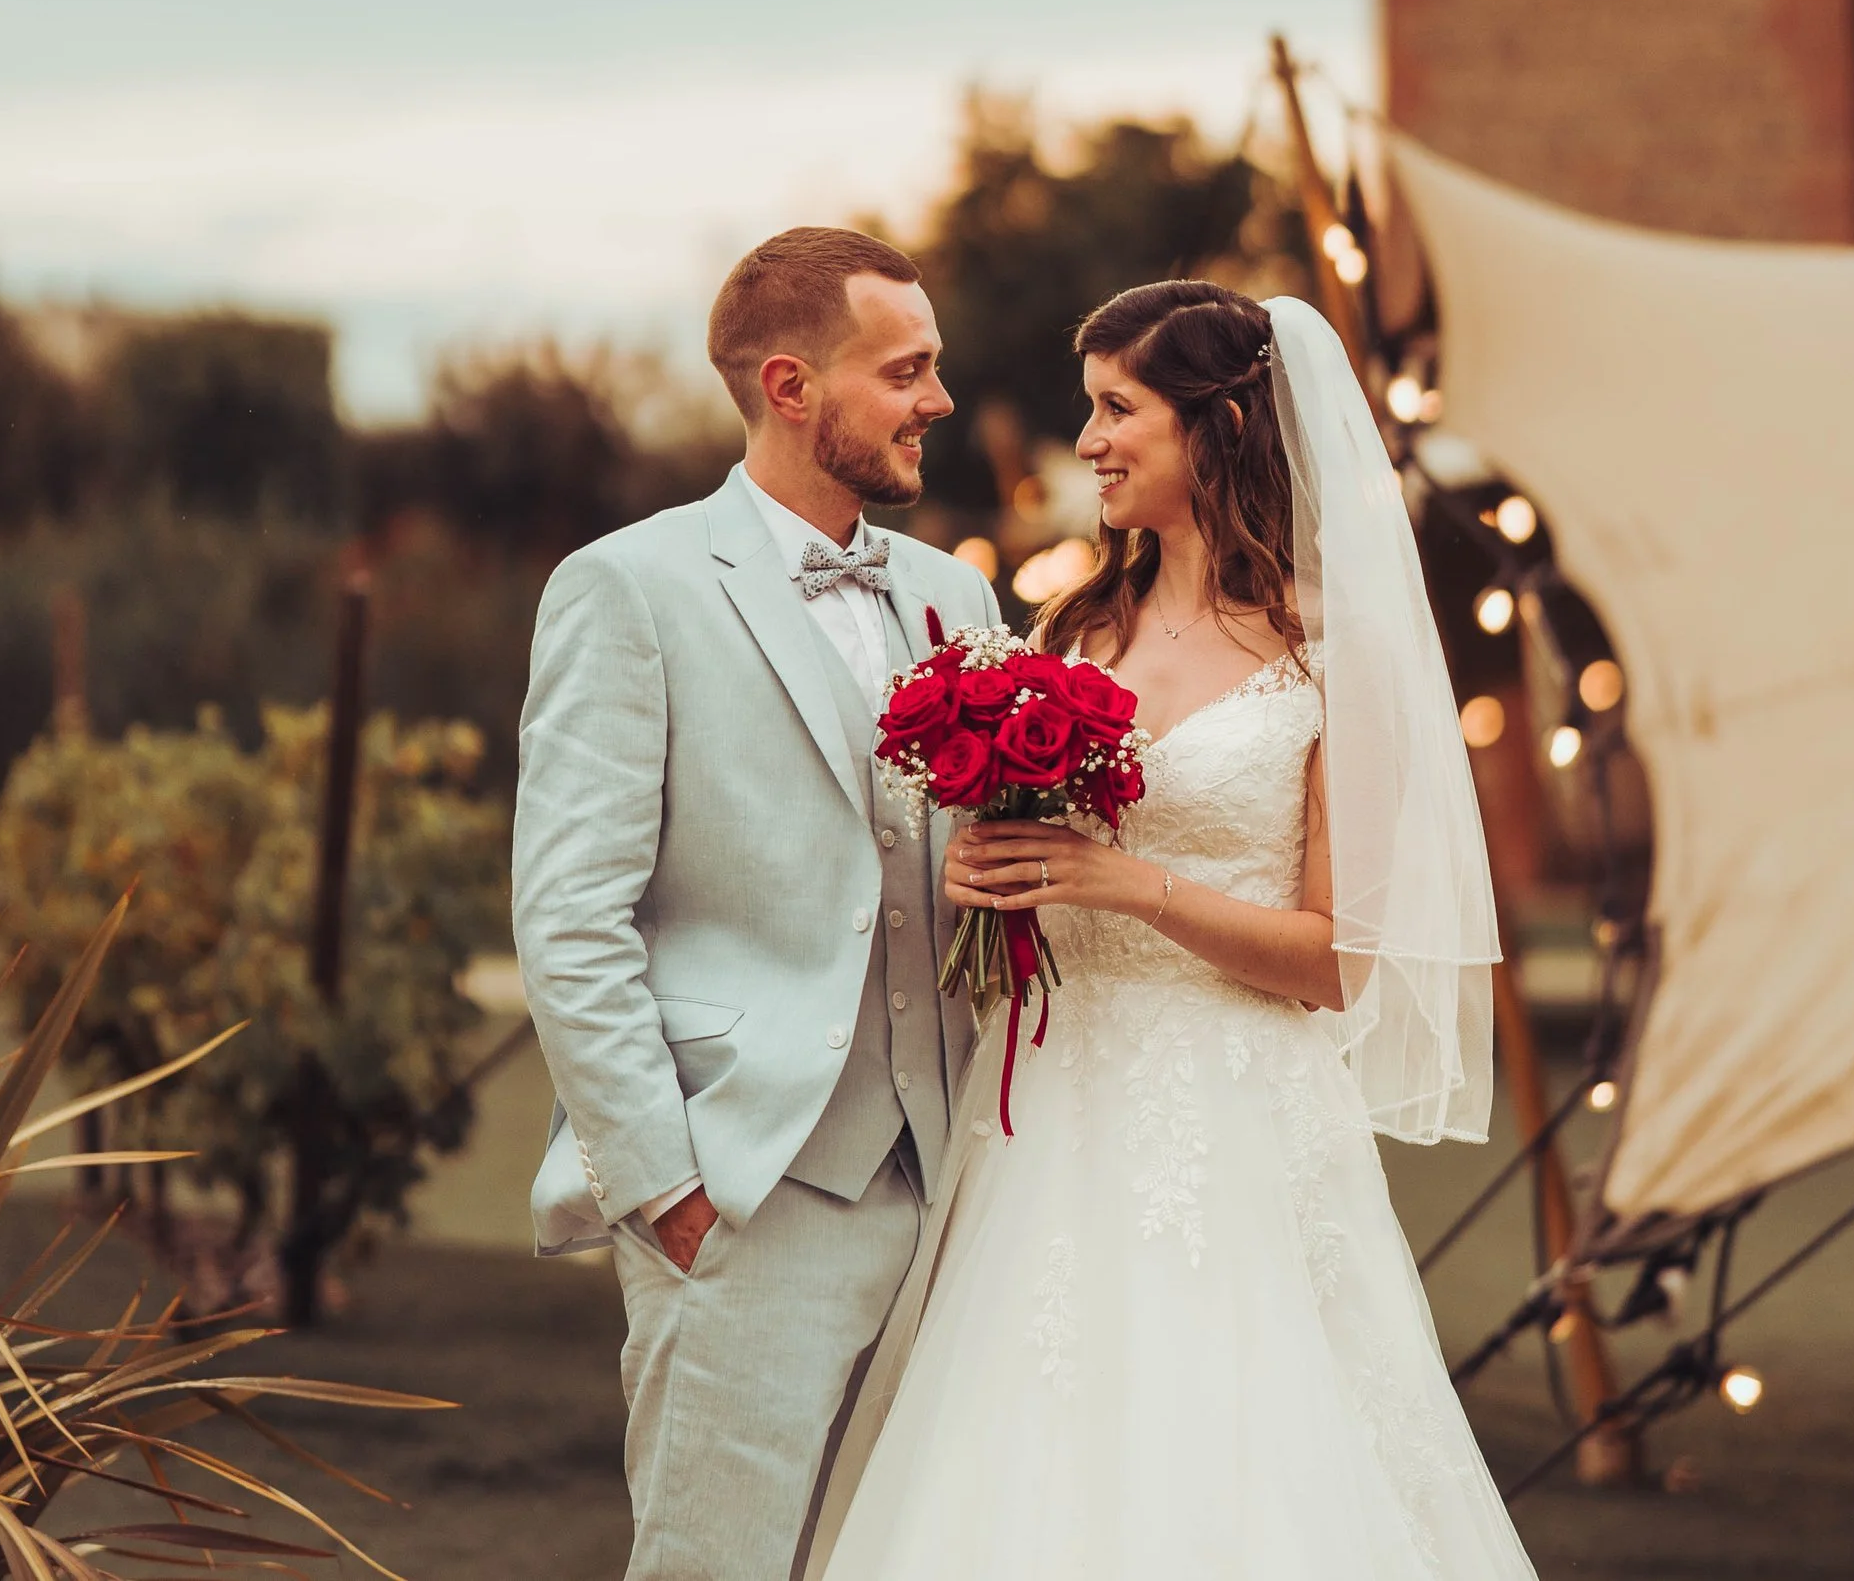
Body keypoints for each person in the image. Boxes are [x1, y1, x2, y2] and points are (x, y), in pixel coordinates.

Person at [810, 282, 1537, 1579]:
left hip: (1239, 1118)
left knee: (1243, 1454)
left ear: (1221, 425)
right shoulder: (1073, 630)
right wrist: (997, 877)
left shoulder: (1329, 647)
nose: (1086, 439)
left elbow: (1334, 961)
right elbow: (1035, 867)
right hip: (1050, 1108)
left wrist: (1125, 886)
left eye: (1116, 408)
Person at [512, 226, 1000, 1581]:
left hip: (953, 1186)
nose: (938, 403)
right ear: (792, 386)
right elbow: (569, 917)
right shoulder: (631, 588)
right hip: (746, 1187)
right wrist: (664, 1183)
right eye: (907, 371)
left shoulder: (958, 598)